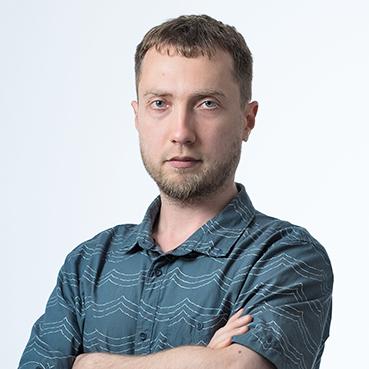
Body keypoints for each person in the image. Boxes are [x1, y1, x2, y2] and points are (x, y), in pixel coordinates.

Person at [18, 14, 333, 369]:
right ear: (137, 117)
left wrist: (88, 364)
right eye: (160, 104)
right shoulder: (88, 265)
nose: (181, 132)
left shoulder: (286, 258)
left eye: (207, 104)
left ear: (247, 119)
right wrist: (202, 360)